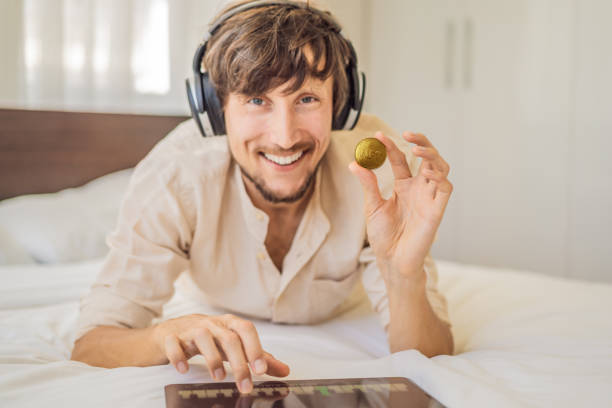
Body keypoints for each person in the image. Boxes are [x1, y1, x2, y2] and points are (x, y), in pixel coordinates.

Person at [71, 0, 454, 395]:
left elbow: (429, 355)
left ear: (339, 105)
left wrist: (404, 277)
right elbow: (92, 345)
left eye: (307, 99)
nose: (285, 137)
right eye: (257, 100)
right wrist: (166, 334)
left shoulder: (379, 169)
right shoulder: (175, 175)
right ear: (216, 110)